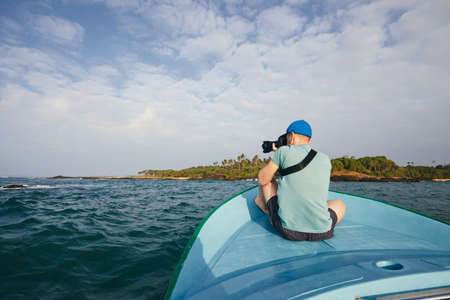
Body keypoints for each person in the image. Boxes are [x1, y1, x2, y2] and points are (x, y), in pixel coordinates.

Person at [254, 120, 346, 241]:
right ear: (309, 140)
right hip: (323, 231)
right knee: (340, 204)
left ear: (291, 136)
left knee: (268, 182)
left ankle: (267, 208)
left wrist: (279, 155)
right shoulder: (325, 159)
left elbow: (262, 179)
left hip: (289, 231)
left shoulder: (283, 152)